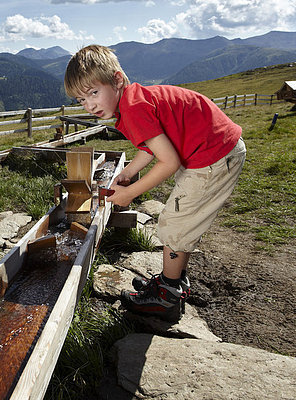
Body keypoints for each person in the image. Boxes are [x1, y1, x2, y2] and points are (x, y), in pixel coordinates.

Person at [64, 45, 246, 321]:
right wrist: (128, 172)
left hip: (214, 155)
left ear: (117, 80)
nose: (89, 105)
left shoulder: (134, 109)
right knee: (179, 221)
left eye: (93, 93)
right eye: (80, 100)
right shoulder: (135, 100)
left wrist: (130, 193)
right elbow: (152, 145)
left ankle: (166, 297)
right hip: (213, 150)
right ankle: (172, 280)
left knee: (174, 224)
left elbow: (168, 161)